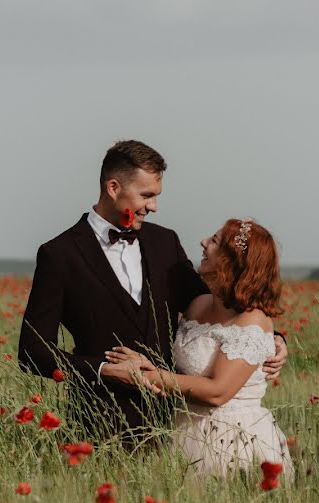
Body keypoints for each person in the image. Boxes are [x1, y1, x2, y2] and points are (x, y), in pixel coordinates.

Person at [17, 140, 288, 444]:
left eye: (156, 196)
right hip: (97, 427)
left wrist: (273, 339)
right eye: (146, 195)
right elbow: (32, 351)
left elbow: (224, 310)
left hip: (173, 427)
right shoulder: (60, 254)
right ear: (114, 187)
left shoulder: (165, 243)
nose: (154, 206)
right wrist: (104, 370)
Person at [105, 219, 294, 478]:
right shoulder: (198, 305)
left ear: (231, 260)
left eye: (214, 241)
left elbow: (218, 392)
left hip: (233, 440)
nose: (203, 243)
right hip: (183, 429)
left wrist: (145, 375)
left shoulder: (253, 320)